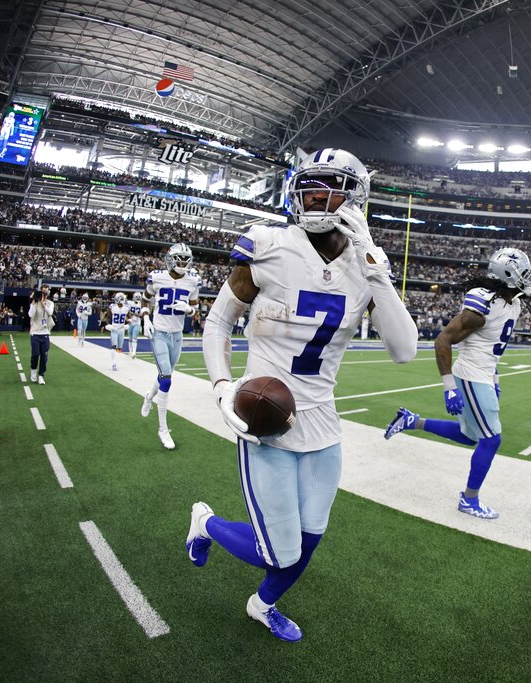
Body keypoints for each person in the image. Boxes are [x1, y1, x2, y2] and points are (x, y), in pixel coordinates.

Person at [189, 148, 417, 642]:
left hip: (324, 423)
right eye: (309, 184)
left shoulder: (366, 264)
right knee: (280, 551)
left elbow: (404, 349)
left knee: (309, 540)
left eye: (329, 184)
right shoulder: (268, 243)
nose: (315, 194)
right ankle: (205, 523)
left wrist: (377, 269)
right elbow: (218, 321)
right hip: (266, 420)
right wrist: (223, 385)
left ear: (356, 194)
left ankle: (261, 603)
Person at [384, 247, 531, 520]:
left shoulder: (514, 303)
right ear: (509, 274)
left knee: (469, 436)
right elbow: (443, 340)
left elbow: (492, 347)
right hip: (471, 374)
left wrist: (496, 378)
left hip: (483, 374)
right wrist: (449, 386)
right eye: (524, 273)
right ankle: (469, 499)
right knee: (491, 440)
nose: (529, 278)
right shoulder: (483, 305)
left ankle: (412, 421)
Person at [140, 243, 200, 450]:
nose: (183, 263)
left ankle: (149, 395)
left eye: (186, 259)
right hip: (159, 333)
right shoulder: (156, 277)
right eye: (179, 259)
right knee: (166, 377)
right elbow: (145, 299)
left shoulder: (193, 280)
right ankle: (163, 428)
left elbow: (195, 310)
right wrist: (145, 318)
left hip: (177, 336)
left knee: (166, 374)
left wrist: (189, 311)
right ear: (170, 260)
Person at [29, 283, 54, 385]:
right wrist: (35, 302)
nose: (44, 294)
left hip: (45, 333)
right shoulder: (34, 303)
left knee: (44, 356)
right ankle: (33, 370)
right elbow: (31, 314)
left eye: (46, 291)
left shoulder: (50, 303)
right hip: (35, 332)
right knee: (35, 354)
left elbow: (50, 313)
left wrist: (44, 304)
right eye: (42, 291)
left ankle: (41, 375)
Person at [107, 292, 130, 371]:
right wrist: (108, 325)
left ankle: (116, 361)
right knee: (114, 346)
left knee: (119, 348)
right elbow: (107, 317)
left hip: (122, 329)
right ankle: (114, 363)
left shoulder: (126, 308)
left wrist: (128, 324)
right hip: (114, 329)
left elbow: (129, 318)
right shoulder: (112, 307)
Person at [126, 292, 143, 358]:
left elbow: (142, 316)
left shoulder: (141, 305)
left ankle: (134, 352)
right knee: (130, 337)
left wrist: (136, 315)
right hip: (131, 322)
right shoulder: (130, 303)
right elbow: (127, 312)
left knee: (134, 338)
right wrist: (128, 319)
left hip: (137, 323)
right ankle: (130, 351)